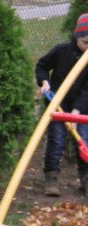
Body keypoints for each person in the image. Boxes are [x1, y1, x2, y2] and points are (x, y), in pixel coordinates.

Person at [35, 12, 88, 197]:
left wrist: (76, 112)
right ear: (76, 37)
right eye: (85, 42)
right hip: (58, 106)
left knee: (84, 141)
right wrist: (44, 82)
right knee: (56, 140)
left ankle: (85, 178)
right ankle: (51, 178)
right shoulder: (61, 51)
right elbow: (41, 66)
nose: (87, 48)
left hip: (81, 109)